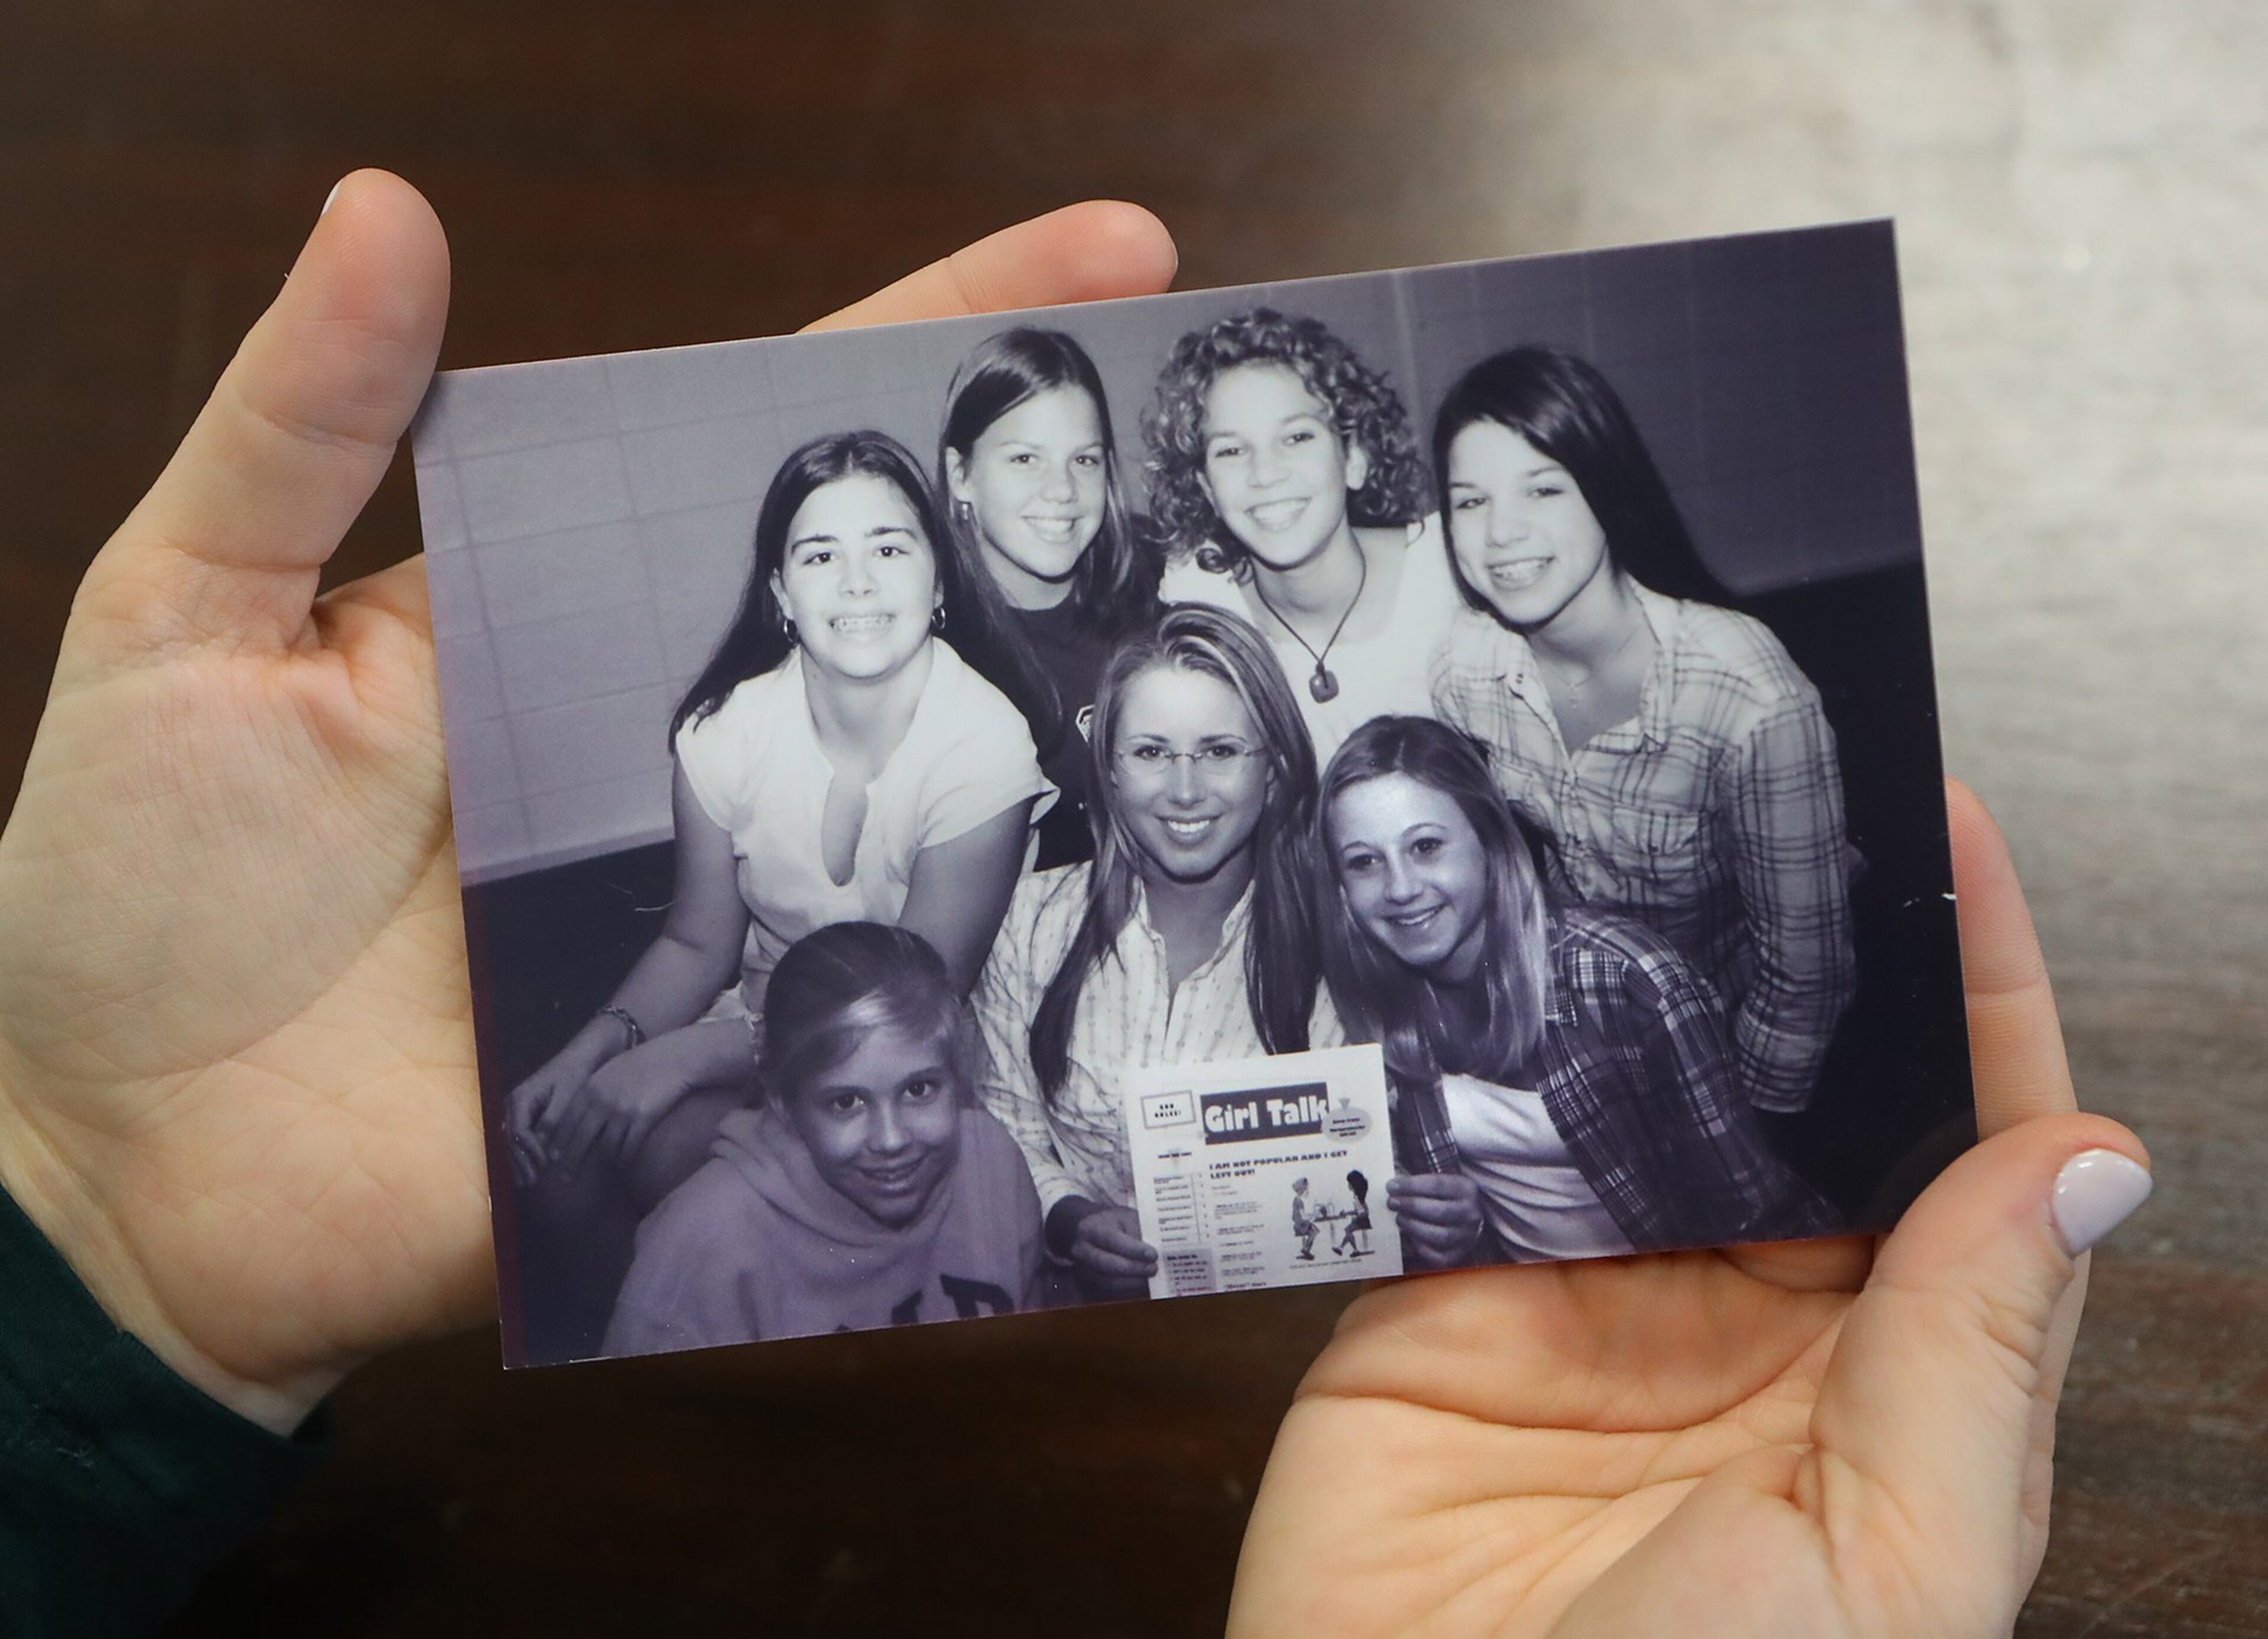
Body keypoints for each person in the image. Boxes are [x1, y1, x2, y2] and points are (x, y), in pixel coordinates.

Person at [0, 171, 2155, 1638]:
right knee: (713, 1211)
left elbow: (1512, 1011)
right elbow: (837, 991)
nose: (1228, 494)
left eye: (1275, 447)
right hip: (1000, 1107)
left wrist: (1611, 1110)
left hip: (1591, 1100)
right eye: (1193, 462)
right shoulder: (928, 778)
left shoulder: (1419, 791)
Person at [503, 428, 1052, 1202]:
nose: (857, 582)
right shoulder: (723, 731)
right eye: (821, 555)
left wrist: (683, 1058)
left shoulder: (987, 743)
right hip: (760, 1038)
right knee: (568, 1159)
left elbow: (904, 1004)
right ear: (783, 594)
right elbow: (696, 943)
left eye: (890, 549)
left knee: (693, 1180)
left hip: (924, 1053)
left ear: (939, 586)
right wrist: (584, 1055)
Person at [1429, 345, 1859, 1117]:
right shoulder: (1466, 670)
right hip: (1593, 1031)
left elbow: (1805, 977)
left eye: (1544, 488)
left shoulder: (1746, 694)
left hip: (1732, 1046)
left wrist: (1738, 1137)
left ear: (1606, 487)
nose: (1502, 534)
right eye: (1471, 501)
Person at [1317, 716, 1833, 1269]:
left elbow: (1756, 1225)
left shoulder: (1631, 982)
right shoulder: (1362, 1015)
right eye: (1365, 862)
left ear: (1490, 842)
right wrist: (1462, 1234)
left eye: (1425, 846)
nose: (1400, 888)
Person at [973, 605, 1328, 1301]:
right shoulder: (1030, 923)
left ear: (1276, 769)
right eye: (1151, 752)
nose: (1186, 789)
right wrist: (1073, 1219)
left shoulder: (1337, 946)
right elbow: (1004, 1121)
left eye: (1221, 751)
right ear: (1108, 770)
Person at [602, 923, 1042, 1354]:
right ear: (782, 1101)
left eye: (919, 1089)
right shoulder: (702, 1244)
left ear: (957, 1075)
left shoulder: (994, 1163)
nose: (890, 1140)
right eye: (846, 1102)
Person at [1144, 308, 1462, 763]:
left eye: (1296, 438)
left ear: (1353, 458)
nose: (1265, 473)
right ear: (1207, 488)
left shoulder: (1446, 575)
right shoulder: (1201, 595)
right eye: (1232, 450)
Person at [938, 325, 1162, 868]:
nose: (1062, 491)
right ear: (961, 474)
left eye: (1084, 460)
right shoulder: (937, 656)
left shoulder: (1159, 582)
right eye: (1025, 459)